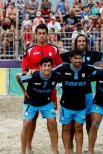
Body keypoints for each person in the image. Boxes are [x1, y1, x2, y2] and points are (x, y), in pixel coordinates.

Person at [21, 23, 62, 153]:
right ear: (36, 35)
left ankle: (53, 147)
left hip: (50, 92)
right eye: (39, 33)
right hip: (33, 92)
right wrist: (29, 73)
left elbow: (59, 68)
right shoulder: (30, 50)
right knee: (31, 121)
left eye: (44, 33)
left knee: (52, 122)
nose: (42, 36)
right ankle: (28, 146)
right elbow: (24, 72)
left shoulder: (54, 50)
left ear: (47, 35)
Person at [53, 50, 98, 154]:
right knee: (66, 127)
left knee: (79, 128)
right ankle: (67, 151)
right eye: (75, 58)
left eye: (79, 58)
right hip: (66, 105)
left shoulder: (87, 68)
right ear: (70, 59)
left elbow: (101, 69)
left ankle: (79, 151)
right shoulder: (63, 68)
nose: (78, 60)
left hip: (81, 105)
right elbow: (49, 71)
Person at [16, 57, 59, 154]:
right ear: (40, 67)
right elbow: (17, 76)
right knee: (26, 124)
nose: (47, 68)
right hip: (31, 102)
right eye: (44, 66)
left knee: (53, 123)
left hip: (46, 102)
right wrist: (24, 91)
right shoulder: (33, 75)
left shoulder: (55, 76)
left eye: (49, 66)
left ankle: (55, 151)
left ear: (52, 67)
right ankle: (23, 152)